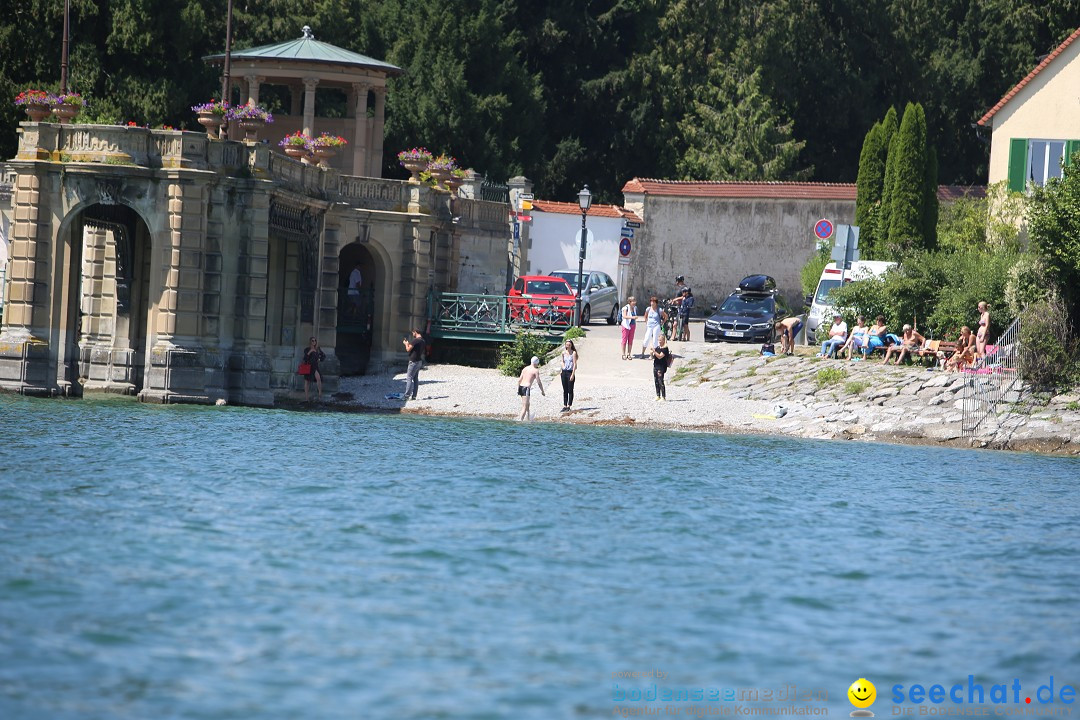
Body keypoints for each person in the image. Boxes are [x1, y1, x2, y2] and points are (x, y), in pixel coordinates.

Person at [517, 355, 545, 421]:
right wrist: (542, 391)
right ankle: (520, 421)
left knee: (527, 404)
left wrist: (518, 390)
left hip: (521, 387)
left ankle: (528, 417)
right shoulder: (535, 370)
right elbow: (539, 382)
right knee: (524, 406)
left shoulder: (525, 368)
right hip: (526, 388)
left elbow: (519, 380)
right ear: (537, 363)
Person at [402, 328, 426, 400]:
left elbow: (408, 349)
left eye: (413, 333)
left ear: (415, 332)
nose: (413, 334)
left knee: (409, 378)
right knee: (415, 379)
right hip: (419, 361)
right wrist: (409, 344)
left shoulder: (416, 340)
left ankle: (406, 396)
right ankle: (414, 396)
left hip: (413, 361)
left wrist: (406, 344)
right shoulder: (423, 341)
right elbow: (415, 349)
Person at [302, 336, 325, 402]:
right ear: (310, 342)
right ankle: (307, 398)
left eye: (315, 341)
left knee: (318, 378)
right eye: (312, 340)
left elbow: (323, 356)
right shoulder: (307, 349)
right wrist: (310, 351)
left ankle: (320, 394)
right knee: (307, 382)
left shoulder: (318, 349)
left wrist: (319, 359)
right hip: (308, 366)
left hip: (315, 366)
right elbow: (305, 358)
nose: (314, 342)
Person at [560, 339, 578, 412]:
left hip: (570, 372)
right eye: (567, 345)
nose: (568, 346)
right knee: (565, 390)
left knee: (570, 389)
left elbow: (574, 364)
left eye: (569, 345)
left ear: (571, 345)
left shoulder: (573, 353)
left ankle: (569, 405)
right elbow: (562, 361)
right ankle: (564, 405)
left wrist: (573, 374)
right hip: (564, 372)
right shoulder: (563, 353)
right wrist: (562, 367)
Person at [652, 334, 672, 401]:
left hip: (661, 367)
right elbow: (654, 357)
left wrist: (654, 351)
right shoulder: (658, 347)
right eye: (658, 340)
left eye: (660, 340)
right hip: (656, 365)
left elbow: (660, 356)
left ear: (663, 340)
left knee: (661, 381)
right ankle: (658, 395)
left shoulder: (665, 349)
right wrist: (652, 353)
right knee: (656, 381)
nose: (659, 341)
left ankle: (663, 396)